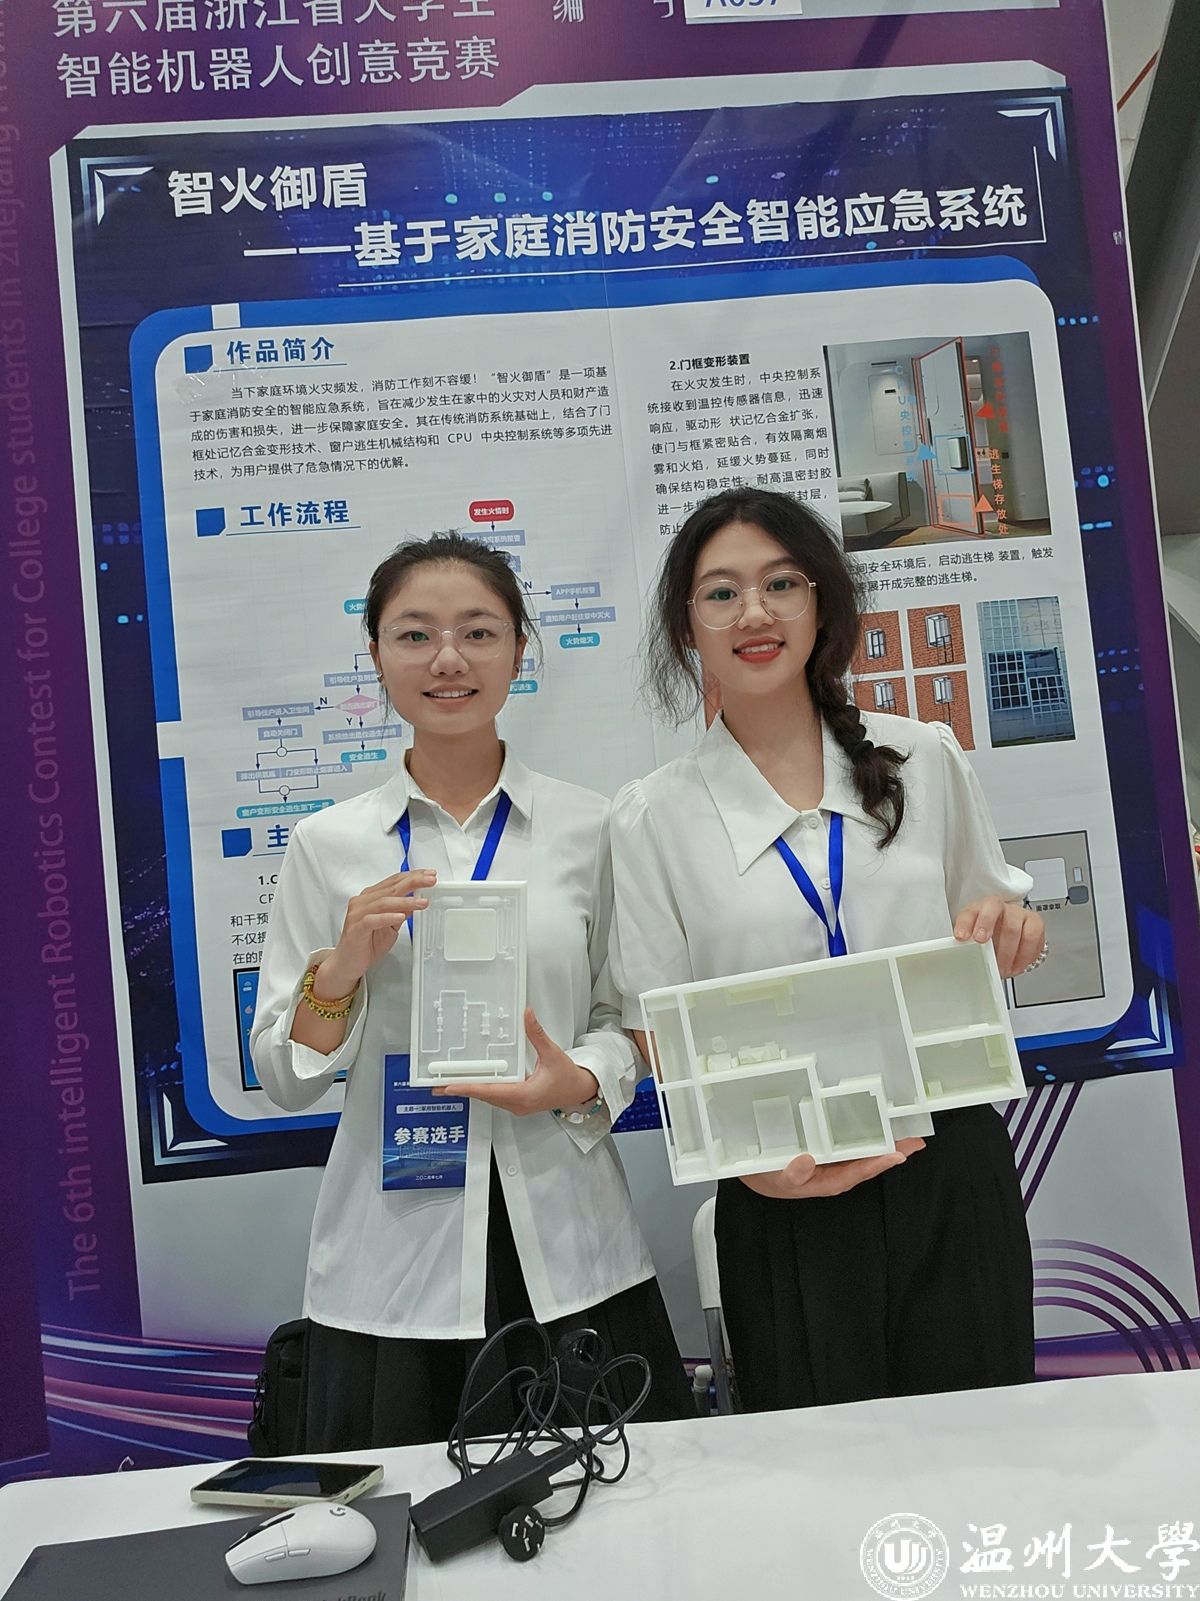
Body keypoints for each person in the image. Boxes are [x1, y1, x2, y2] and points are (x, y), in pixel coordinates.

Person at [608, 487, 1044, 1413]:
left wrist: (1015, 930)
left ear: (821, 602)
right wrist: (752, 1165)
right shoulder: (652, 815)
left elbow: (997, 916)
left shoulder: (924, 756)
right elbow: (656, 1027)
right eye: (721, 593)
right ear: (687, 626)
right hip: (781, 1185)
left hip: (947, 1162)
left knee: (988, 1447)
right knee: (819, 1469)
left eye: (781, 584)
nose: (753, 613)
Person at [251, 532, 690, 1448]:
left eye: (478, 632)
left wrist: (577, 1078)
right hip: (394, 1262)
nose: (447, 658)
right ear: (376, 653)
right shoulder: (328, 846)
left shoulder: (590, 826)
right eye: (415, 634)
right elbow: (285, 1078)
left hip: (570, 1246)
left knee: (619, 1512)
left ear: (519, 651)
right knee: (403, 1520)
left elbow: (632, 1017)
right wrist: (342, 968)